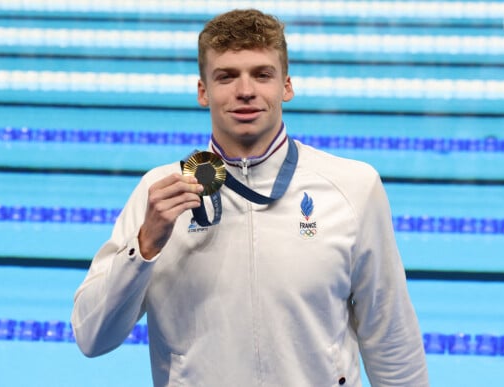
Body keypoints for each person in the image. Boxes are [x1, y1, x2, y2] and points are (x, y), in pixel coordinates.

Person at [71, 8, 429, 387]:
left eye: (262, 74)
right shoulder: (158, 192)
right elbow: (92, 337)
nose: (245, 91)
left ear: (286, 86)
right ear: (203, 91)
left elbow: (390, 334)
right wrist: (144, 247)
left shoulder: (354, 186)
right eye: (226, 76)